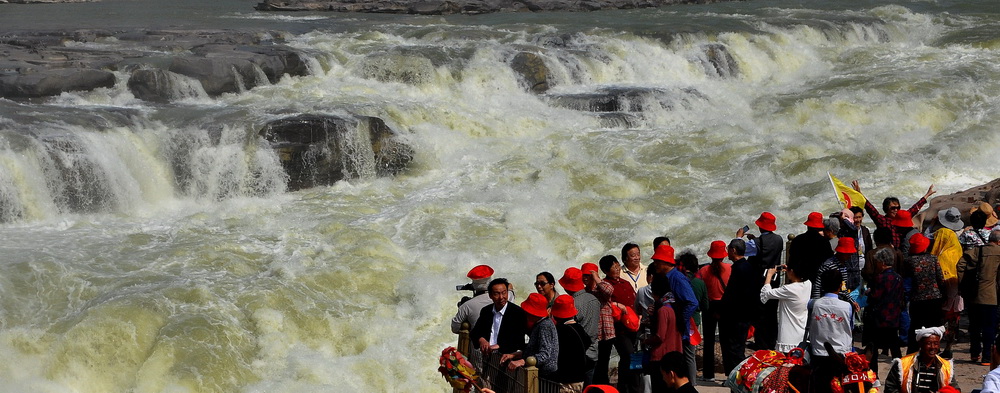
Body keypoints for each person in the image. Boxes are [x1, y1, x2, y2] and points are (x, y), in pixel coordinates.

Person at [651, 244, 699, 383]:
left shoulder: (677, 278)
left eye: (657, 262)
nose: (655, 265)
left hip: (679, 330)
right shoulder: (667, 276)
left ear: (665, 262)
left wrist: (680, 321)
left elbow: (692, 302)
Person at [851, 180, 935, 249]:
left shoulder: (902, 218)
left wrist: (926, 196)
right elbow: (870, 208)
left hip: (901, 251)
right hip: (886, 252)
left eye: (897, 208)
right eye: (893, 208)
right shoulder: (882, 220)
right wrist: (859, 193)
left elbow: (914, 209)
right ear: (886, 209)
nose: (896, 210)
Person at [957, 229, 1000, 365]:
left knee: (974, 326)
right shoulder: (999, 252)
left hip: (974, 295)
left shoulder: (977, 250)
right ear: (999, 241)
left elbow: (960, 265)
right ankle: (987, 357)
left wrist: (963, 283)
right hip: (991, 296)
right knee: (989, 327)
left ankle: (975, 354)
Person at [719, 239, 761, 375]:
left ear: (733, 250)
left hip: (735, 317)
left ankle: (736, 376)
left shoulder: (738, 268)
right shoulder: (748, 266)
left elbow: (732, 294)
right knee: (738, 347)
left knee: (733, 349)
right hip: (745, 315)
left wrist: (722, 310)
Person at [809, 269, 855, 393]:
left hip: (819, 355)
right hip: (841, 356)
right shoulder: (847, 306)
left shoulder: (813, 304)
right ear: (840, 285)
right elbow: (851, 327)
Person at [593, 281, 642, 393]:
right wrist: (616, 304)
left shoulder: (625, 283)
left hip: (633, 327)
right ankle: (625, 388)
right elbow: (608, 293)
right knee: (629, 356)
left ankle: (630, 387)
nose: (617, 269)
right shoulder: (603, 287)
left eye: (617, 266)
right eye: (614, 267)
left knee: (629, 358)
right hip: (619, 330)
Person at [864, 247, 905, 380]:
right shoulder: (898, 278)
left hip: (878, 318)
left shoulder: (879, 278)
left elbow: (875, 296)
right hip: (893, 318)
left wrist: (868, 293)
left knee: (873, 349)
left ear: (882, 263)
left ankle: (873, 376)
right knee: (895, 347)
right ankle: (900, 372)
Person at [747, 211, 784, 351]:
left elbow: (741, 250)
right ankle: (772, 341)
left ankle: (761, 345)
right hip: (774, 280)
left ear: (760, 226)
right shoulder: (779, 239)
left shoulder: (755, 243)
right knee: (771, 313)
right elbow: (766, 246)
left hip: (759, 281)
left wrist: (738, 238)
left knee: (759, 314)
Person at [902, 233, 945, 353]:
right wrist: (944, 294)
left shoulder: (909, 261)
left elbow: (906, 281)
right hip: (935, 298)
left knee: (916, 327)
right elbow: (940, 279)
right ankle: (934, 349)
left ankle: (913, 351)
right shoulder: (933, 258)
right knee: (934, 327)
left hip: (917, 299)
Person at [884, 326, 959, 393]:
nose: (932, 347)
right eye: (928, 343)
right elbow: (890, 388)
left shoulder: (946, 366)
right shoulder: (903, 364)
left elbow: (955, 389)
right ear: (920, 344)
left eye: (936, 343)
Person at [560, 267, 600, 386]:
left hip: (576, 355)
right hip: (593, 351)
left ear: (567, 286)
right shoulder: (594, 299)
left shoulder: (572, 304)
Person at [759, 262, 811, 353]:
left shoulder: (789, 289)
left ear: (792, 271)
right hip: (802, 332)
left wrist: (769, 275)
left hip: (789, 336)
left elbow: (765, 294)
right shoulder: (808, 284)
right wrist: (790, 269)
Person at [502, 293, 558, 376]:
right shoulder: (540, 323)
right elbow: (536, 347)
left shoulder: (544, 325)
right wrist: (514, 354)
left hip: (544, 375)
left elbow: (545, 354)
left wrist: (522, 361)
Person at [697, 240, 730, 381]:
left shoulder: (703, 271)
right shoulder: (730, 268)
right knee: (726, 341)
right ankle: (729, 373)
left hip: (709, 306)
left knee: (709, 341)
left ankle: (708, 374)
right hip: (725, 306)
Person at [930, 225, 964, 356]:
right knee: (953, 322)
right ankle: (949, 347)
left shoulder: (941, 256)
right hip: (957, 294)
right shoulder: (958, 250)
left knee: (939, 323)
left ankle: (936, 347)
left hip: (944, 295)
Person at [646, 273, 683, 393]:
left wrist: (646, 341)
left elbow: (660, 336)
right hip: (675, 353)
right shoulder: (674, 305)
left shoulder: (663, 310)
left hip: (661, 357)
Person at [471, 278, 527, 356]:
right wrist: (482, 340)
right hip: (487, 355)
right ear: (490, 295)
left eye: (504, 293)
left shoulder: (517, 313)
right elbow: (476, 332)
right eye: (496, 294)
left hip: (506, 356)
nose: (501, 297)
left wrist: (499, 346)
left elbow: (518, 340)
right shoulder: (486, 311)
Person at [551, 294, 591, 393]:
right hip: (580, 377)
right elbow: (588, 342)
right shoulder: (579, 327)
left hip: (566, 379)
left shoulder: (560, 330)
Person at [788, 211, 833, 283]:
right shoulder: (824, 241)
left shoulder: (797, 239)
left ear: (808, 225)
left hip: (800, 278)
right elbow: (829, 260)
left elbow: (792, 259)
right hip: (818, 279)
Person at [452, 264, 497, 333]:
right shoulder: (504, 298)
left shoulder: (466, 306)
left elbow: (455, 328)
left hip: (477, 343)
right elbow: (510, 288)